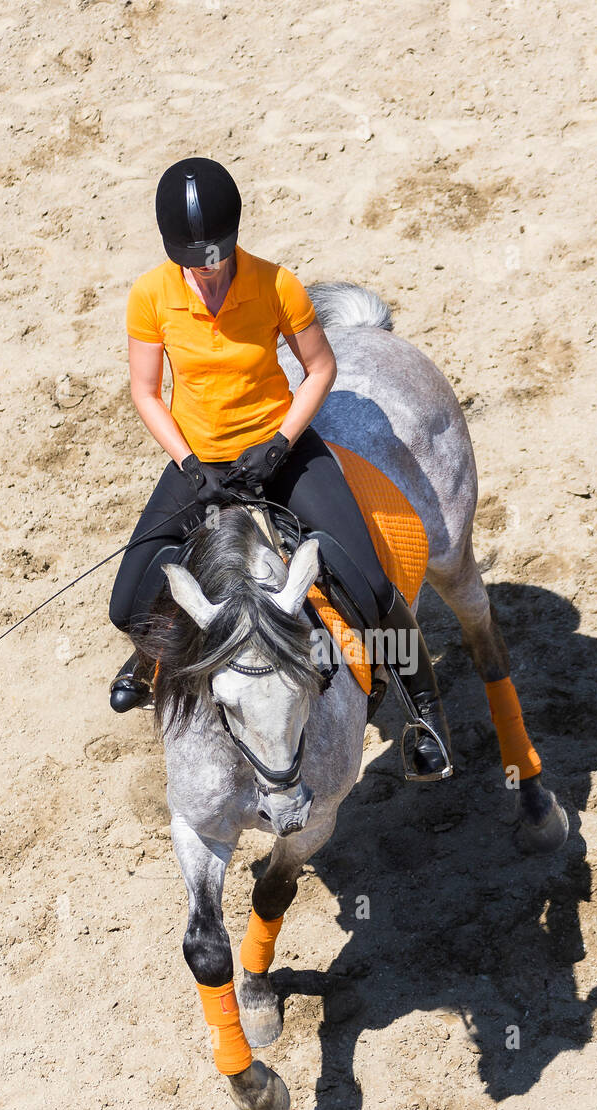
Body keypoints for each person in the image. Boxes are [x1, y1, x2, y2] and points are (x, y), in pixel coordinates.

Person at [108, 156, 451, 779]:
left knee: (371, 587)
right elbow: (146, 392)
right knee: (126, 603)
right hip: (200, 464)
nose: (207, 276)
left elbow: (320, 369)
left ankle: (426, 713)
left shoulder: (275, 285)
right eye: (194, 264)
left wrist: (280, 441)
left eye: (216, 259)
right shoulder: (150, 295)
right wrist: (188, 463)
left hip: (281, 452)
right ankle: (152, 658)